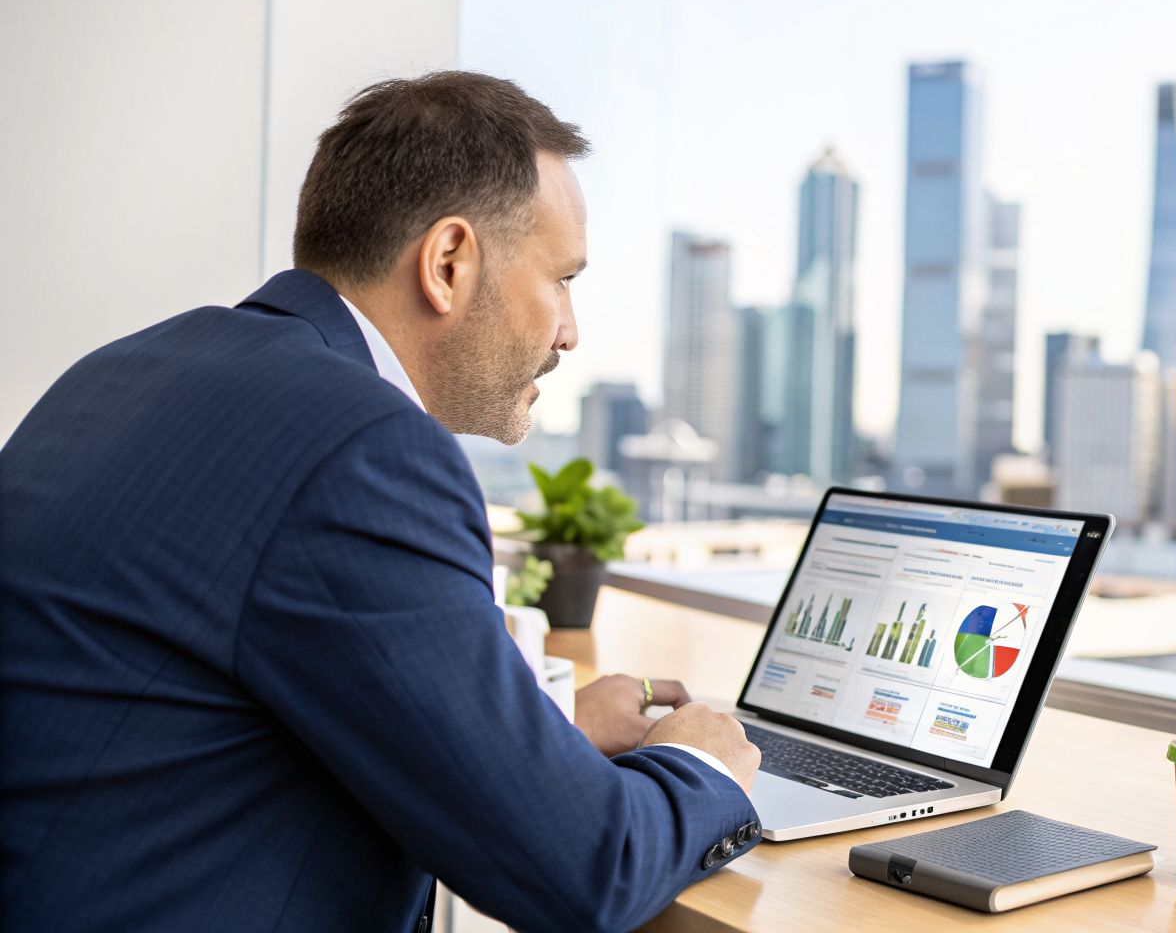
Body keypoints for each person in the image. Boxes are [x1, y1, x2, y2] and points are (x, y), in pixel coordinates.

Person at [0, 71, 762, 932]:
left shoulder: (122, 372)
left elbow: (222, 699)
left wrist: (540, 740)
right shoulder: (364, 449)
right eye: (562, 279)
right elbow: (587, 871)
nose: (569, 331)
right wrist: (701, 767)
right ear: (448, 264)